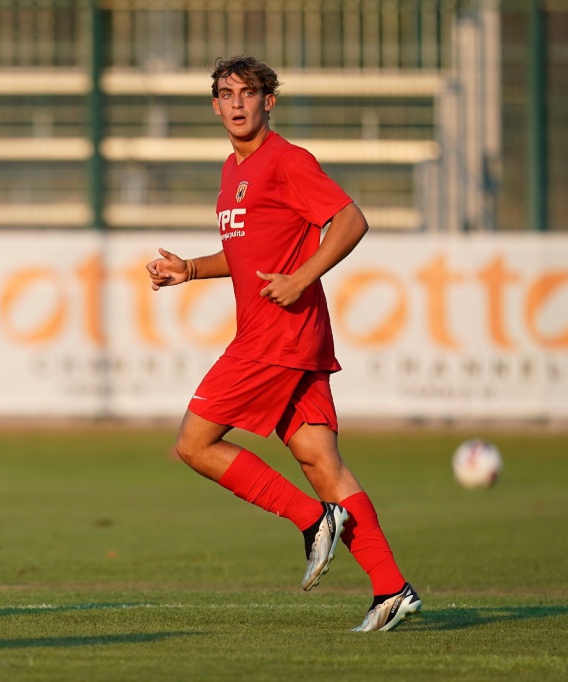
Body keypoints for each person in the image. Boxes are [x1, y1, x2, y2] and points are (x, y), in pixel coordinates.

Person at [146, 55, 420, 633]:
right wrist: (190, 270)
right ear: (215, 105)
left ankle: (310, 520)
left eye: (248, 93)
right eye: (226, 94)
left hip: (278, 332)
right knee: (321, 462)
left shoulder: (288, 161)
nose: (237, 103)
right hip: (293, 335)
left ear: (269, 102)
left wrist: (301, 278)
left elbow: (350, 220)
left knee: (194, 443)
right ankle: (391, 588)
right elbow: (247, 255)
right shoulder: (232, 171)